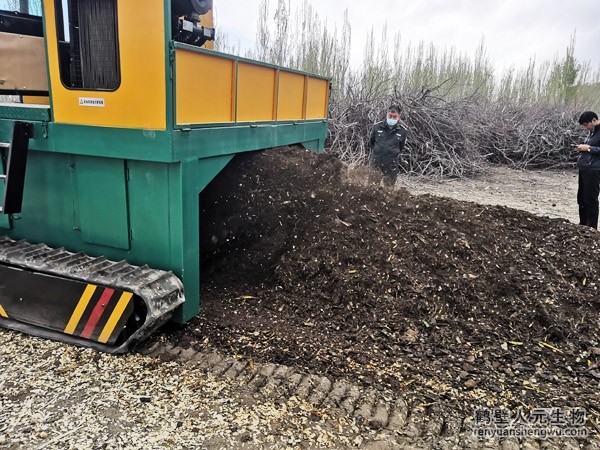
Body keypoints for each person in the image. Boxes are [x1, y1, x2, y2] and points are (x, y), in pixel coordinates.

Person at [368, 105, 408, 186]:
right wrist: (377, 152)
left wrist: (392, 153)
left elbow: (401, 147)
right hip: (376, 160)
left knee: (389, 188)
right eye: (390, 116)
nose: (392, 119)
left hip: (391, 162)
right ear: (387, 114)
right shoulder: (377, 127)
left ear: (399, 117)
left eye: (394, 117)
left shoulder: (403, 131)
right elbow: (372, 143)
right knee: (372, 186)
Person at [576, 111, 600, 229]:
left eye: (586, 125)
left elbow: (595, 149)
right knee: (582, 198)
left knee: (590, 198)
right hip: (585, 167)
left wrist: (589, 148)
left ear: (594, 120)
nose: (586, 128)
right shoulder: (592, 133)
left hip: (594, 169)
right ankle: (583, 224)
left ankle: (591, 227)